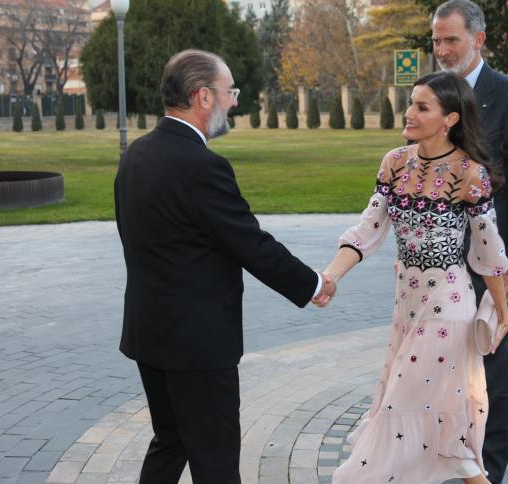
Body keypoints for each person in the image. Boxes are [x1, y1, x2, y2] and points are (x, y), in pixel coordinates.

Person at [114, 49, 335, 483]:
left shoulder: (135, 155)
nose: (234, 101)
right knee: (215, 461)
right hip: (197, 345)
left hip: (149, 334)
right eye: (228, 91)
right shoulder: (204, 166)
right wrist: (312, 284)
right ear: (202, 97)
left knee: (171, 440)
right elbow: (249, 243)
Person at [326, 71, 508, 484]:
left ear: (450, 119)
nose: (409, 113)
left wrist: (502, 312)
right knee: (447, 439)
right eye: (411, 103)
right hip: (407, 308)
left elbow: (488, 253)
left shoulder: (470, 173)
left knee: (398, 408)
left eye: (421, 106)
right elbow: (366, 231)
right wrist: (330, 276)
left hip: (449, 310)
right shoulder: (394, 163)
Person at [430, 1, 508, 481]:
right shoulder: (432, 95)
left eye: (450, 39)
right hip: (438, 266)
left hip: (492, 268)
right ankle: (448, 461)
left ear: (479, 40)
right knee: (443, 368)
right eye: (435, 40)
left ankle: (488, 471)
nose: (441, 50)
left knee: (492, 375)